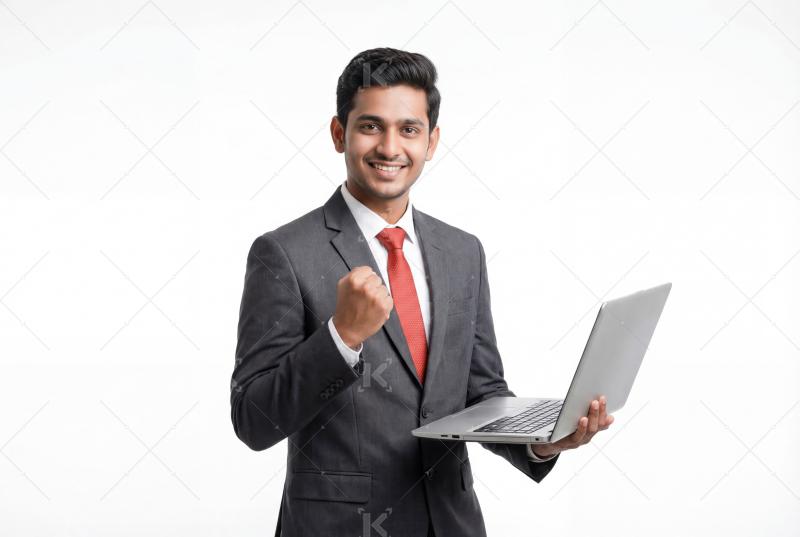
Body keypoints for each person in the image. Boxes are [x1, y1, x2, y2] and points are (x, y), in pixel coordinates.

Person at [230, 47, 614, 537]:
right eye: (370, 126)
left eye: (409, 129)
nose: (390, 147)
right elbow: (253, 419)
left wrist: (542, 440)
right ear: (337, 134)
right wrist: (341, 337)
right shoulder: (283, 253)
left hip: (452, 523)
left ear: (431, 142)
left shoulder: (462, 251)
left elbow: (482, 391)